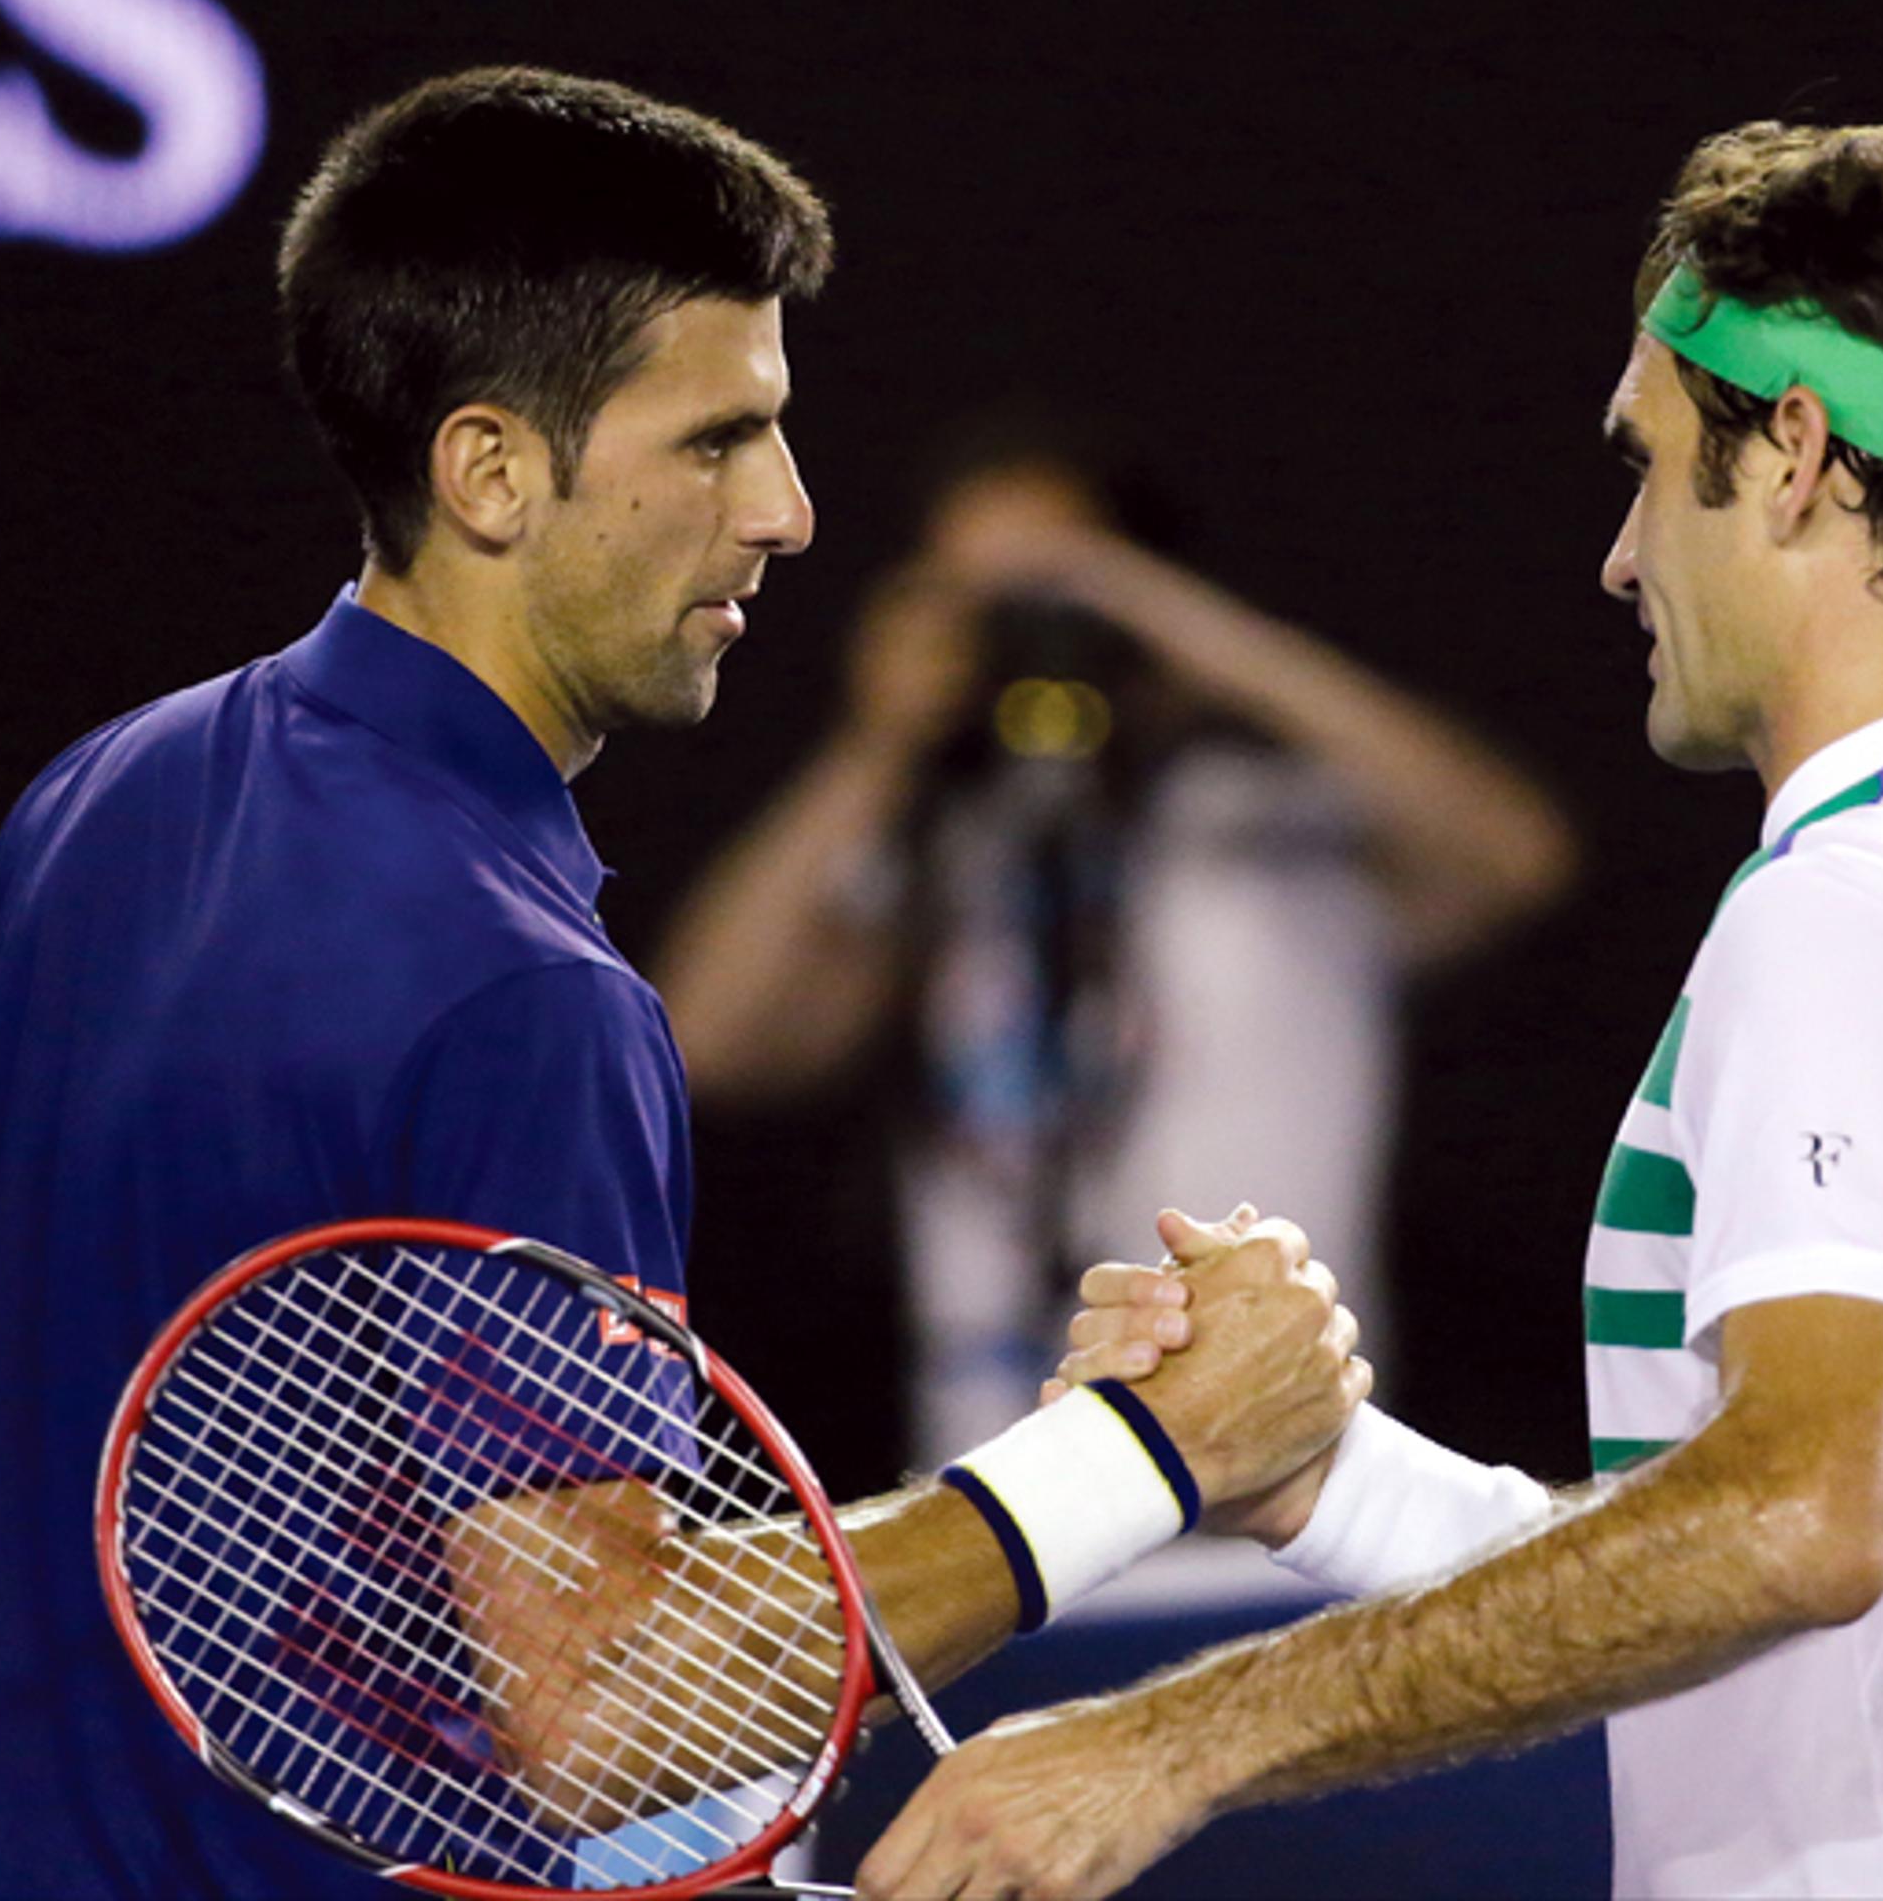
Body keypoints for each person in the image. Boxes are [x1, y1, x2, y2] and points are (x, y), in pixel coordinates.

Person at [0, 69, 1363, 1899]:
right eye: (716, 438)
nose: (785, 509)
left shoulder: (116, 794)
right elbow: (604, 1698)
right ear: (488, 470)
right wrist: (1137, 1459)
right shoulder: (524, 997)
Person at [857, 114, 1883, 1899]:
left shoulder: (1859, 912)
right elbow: (1779, 1575)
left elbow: (1797, 1522)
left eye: (1649, 466)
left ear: (1794, 454)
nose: (1623, 558)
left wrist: (1165, 1742)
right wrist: (1323, 1483)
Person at [655, 418, 1576, 1459]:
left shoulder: (1272, 830)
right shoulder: (940, 852)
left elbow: (1518, 857)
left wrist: (1176, 626)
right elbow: (710, 1036)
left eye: (1057, 587)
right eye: (982, 603)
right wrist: (878, 743)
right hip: (1002, 1492)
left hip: (1278, 1490)